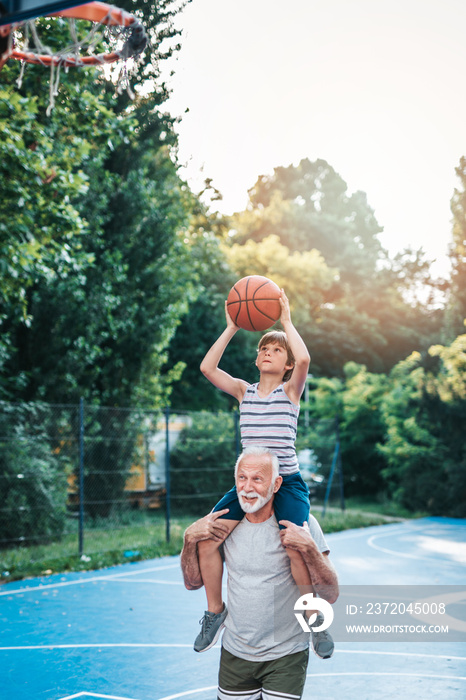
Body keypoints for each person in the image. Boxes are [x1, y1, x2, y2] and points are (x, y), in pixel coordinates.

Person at [194, 289, 330, 655]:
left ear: (286, 364)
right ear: (257, 360)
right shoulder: (244, 392)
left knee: (296, 544)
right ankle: (213, 612)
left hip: (286, 484)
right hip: (251, 483)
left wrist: (286, 320)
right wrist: (232, 327)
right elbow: (207, 369)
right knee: (207, 537)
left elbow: (305, 359)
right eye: (264, 349)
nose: (267, 352)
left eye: (277, 350)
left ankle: (312, 619)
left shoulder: (290, 392)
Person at [181, 446, 339, 700]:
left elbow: (330, 594)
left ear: (276, 484)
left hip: (286, 653)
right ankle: (215, 612)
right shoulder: (222, 525)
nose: (247, 487)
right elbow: (192, 582)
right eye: (242, 478)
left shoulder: (302, 523)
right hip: (236, 652)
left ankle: (314, 619)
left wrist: (310, 548)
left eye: (257, 479)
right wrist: (189, 540)